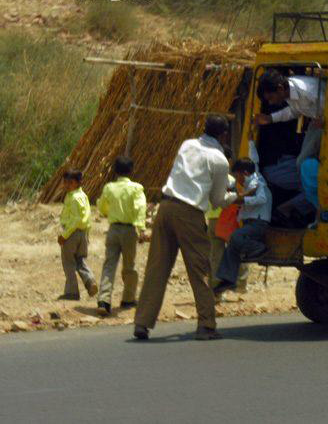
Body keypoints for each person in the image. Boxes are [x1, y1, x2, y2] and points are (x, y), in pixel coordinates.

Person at [133, 115, 237, 341]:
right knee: (199, 270)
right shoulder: (219, 160)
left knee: (157, 267)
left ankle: (142, 322)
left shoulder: (187, 145)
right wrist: (237, 196)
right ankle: (206, 325)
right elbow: (217, 200)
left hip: (166, 206)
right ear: (224, 135)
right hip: (190, 213)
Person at [214, 142, 272, 295]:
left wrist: (242, 200)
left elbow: (261, 198)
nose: (237, 178)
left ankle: (260, 249)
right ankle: (228, 280)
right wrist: (251, 142)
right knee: (232, 248)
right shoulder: (251, 178)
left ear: (245, 173)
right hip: (249, 223)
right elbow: (255, 159)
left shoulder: (257, 182)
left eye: (238, 174)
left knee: (235, 237)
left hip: (258, 223)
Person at [95, 156, 147, 316]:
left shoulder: (109, 188)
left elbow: (102, 206)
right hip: (129, 231)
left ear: (115, 171)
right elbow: (140, 208)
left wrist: (107, 213)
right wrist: (142, 228)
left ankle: (104, 300)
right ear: (131, 171)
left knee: (109, 264)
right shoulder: (136, 188)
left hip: (113, 230)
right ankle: (128, 298)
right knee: (129, 266)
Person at [254, 69, 325, 170]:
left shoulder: (307, 91)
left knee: (303, 162)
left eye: (271, 98)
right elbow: (294, 111)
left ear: (280, 89)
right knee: (302, 162)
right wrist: (270, 118)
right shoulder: (288, 93)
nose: (271, 103)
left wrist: (325, 120)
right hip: (317, 123)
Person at [57, 169, 98, 301]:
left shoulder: (73, 198)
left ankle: (72, 292)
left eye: (69, 182)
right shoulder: (83, 196)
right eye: (65, 182)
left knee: (68, 263)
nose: (66, 185)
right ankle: (89, 281)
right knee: (80, 260)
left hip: (72, 234)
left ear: (76, 183)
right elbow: (86, 216)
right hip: (83, 234)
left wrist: (64, 235)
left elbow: (75, 220)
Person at [205, 145, 236, 289]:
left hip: (212, 219)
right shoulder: (231, 180)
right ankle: (238, 284)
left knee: (215, 254)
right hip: (226, 219)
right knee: (236, 251)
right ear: (229, 161)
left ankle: (214, 286)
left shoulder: (208, 179)